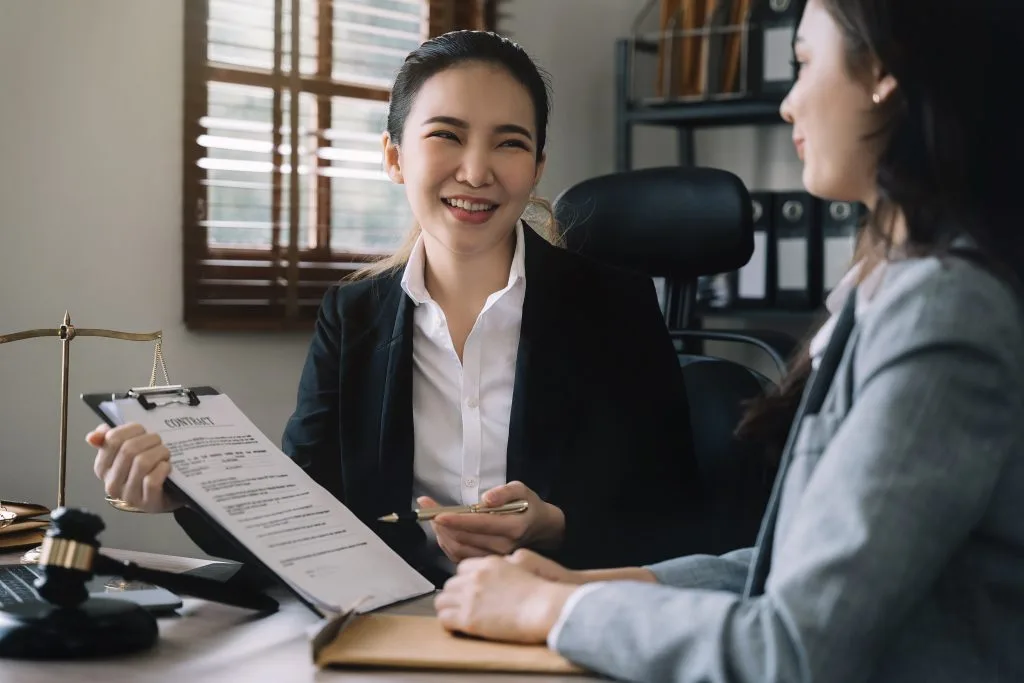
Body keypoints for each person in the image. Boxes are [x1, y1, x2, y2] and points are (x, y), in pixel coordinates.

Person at [433, 1, 1024, 681]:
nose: (789, 105)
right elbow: (781, 567)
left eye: (803, 64)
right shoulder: (896, 292)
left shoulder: (944, 310)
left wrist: (548, 610)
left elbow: (793, 647)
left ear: (883, 71)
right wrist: (583, 588)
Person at [87, 31, 707, 587]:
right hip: (397, 623)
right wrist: (184, 494)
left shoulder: (615, 306)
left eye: (509, 143)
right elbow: (300, 517)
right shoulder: (351, 316)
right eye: (446, 135)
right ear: (394, 157)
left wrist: (554, 527)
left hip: (556, 623)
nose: (475, 170)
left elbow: (677, 521)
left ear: (537, 167)